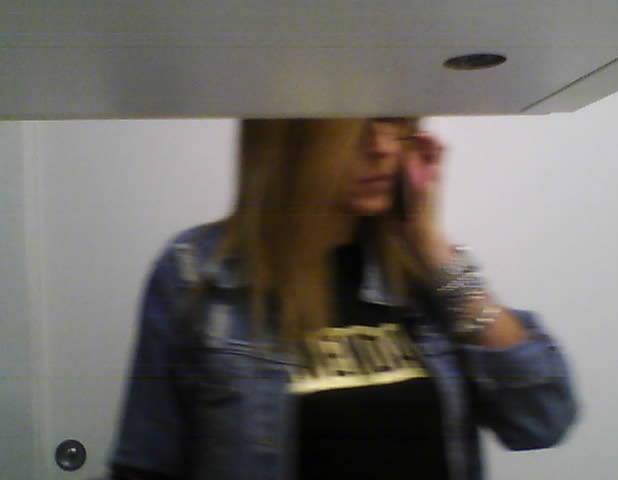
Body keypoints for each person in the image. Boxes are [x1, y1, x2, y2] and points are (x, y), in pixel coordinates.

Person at [108, 118, 578, 480]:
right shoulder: (196, 270)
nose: (383, 146)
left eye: (393, 120)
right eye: (352, 123)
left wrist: (432, 246)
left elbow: (542, 419)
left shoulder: (423, 274)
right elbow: (145, 465)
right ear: (287, 131)